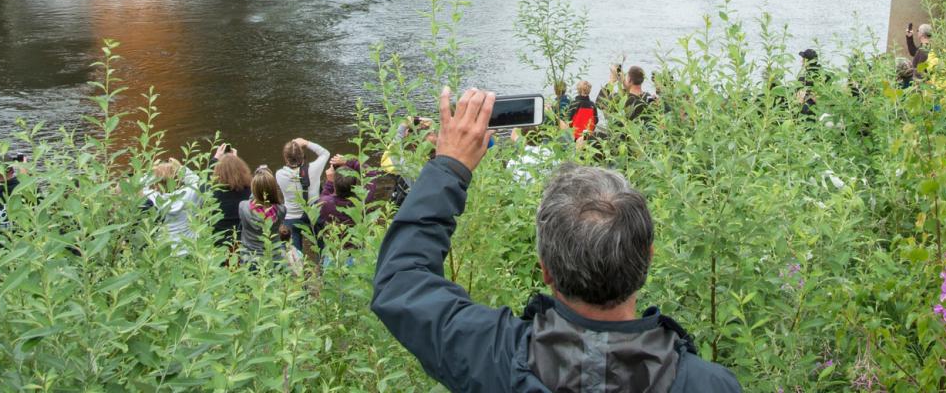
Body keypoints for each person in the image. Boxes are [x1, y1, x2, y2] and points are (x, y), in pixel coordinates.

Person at [370, 87, 742, 392]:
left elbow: (401, 280)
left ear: (545, 268)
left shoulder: (494, 357)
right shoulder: (708, 384)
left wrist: (450, 166)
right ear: (647, 257)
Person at [275, 136, 331, 255]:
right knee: (322, 248)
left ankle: (299, 271)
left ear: (286, 158)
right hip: (313, 214)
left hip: (291, 217)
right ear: (303, 156)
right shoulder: (314, 169)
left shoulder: (280, 174)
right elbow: (325, 153)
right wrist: (307, 142)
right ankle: (324, 269)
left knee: (294, 253)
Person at [142, 158, 202, 246]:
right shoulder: (190, 194)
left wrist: (154, 171)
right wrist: (180, 168)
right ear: (178, 178)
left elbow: (137, 184)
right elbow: (198, 181)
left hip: (161, 251)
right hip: (188, 249)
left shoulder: (149, 198)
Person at [238, 165, 290, 265]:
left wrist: (258, 177)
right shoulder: (281, 210)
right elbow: (274, 200)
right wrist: (267, 179)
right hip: (274, 259)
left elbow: (252, 200)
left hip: (250, 259)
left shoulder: (243, 207)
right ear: (273, 188)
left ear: (253, 189)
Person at [211, 144, 252, 245]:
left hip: (220, 245)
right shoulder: (250, 191)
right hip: (244, 243)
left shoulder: (212, 193)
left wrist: (215, 159)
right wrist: (234, 162)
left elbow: (204, 181)